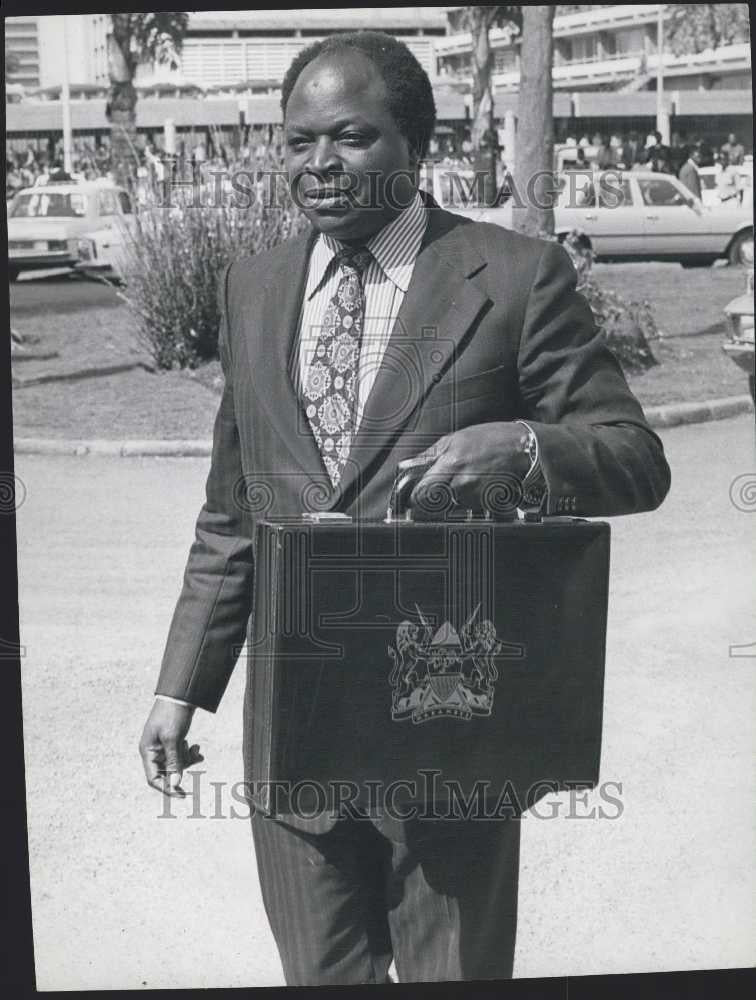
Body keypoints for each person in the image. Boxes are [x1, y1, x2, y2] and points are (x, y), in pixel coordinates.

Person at [139, 31, 671, 986]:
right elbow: (232, 509)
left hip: (451, 726)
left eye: (349, 137)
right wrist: (181, 687)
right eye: (298, 143)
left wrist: (520, 452)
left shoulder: (513, 277)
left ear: (415, 145)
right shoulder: (253, 288)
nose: (318, 167)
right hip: (294, 742)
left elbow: (637, 462)